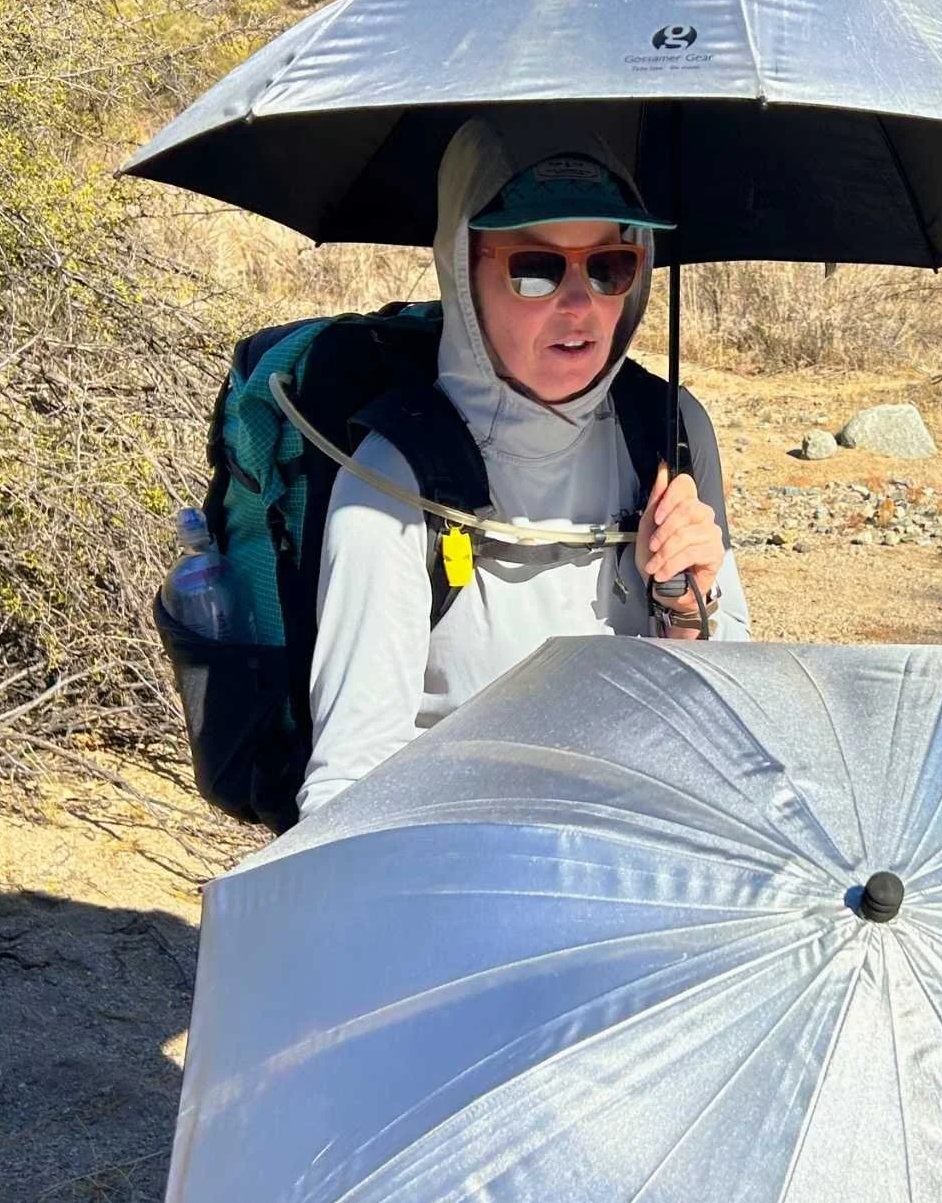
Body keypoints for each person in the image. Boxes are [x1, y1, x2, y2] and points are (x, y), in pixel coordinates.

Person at [298, 118, 749, 819]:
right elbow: (351, 780)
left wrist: (687, 605)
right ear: (460, 268)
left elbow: (731, 722)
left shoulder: (671, 432)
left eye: (610, 267)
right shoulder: (391, 479)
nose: (580, 304)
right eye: (535, 268)